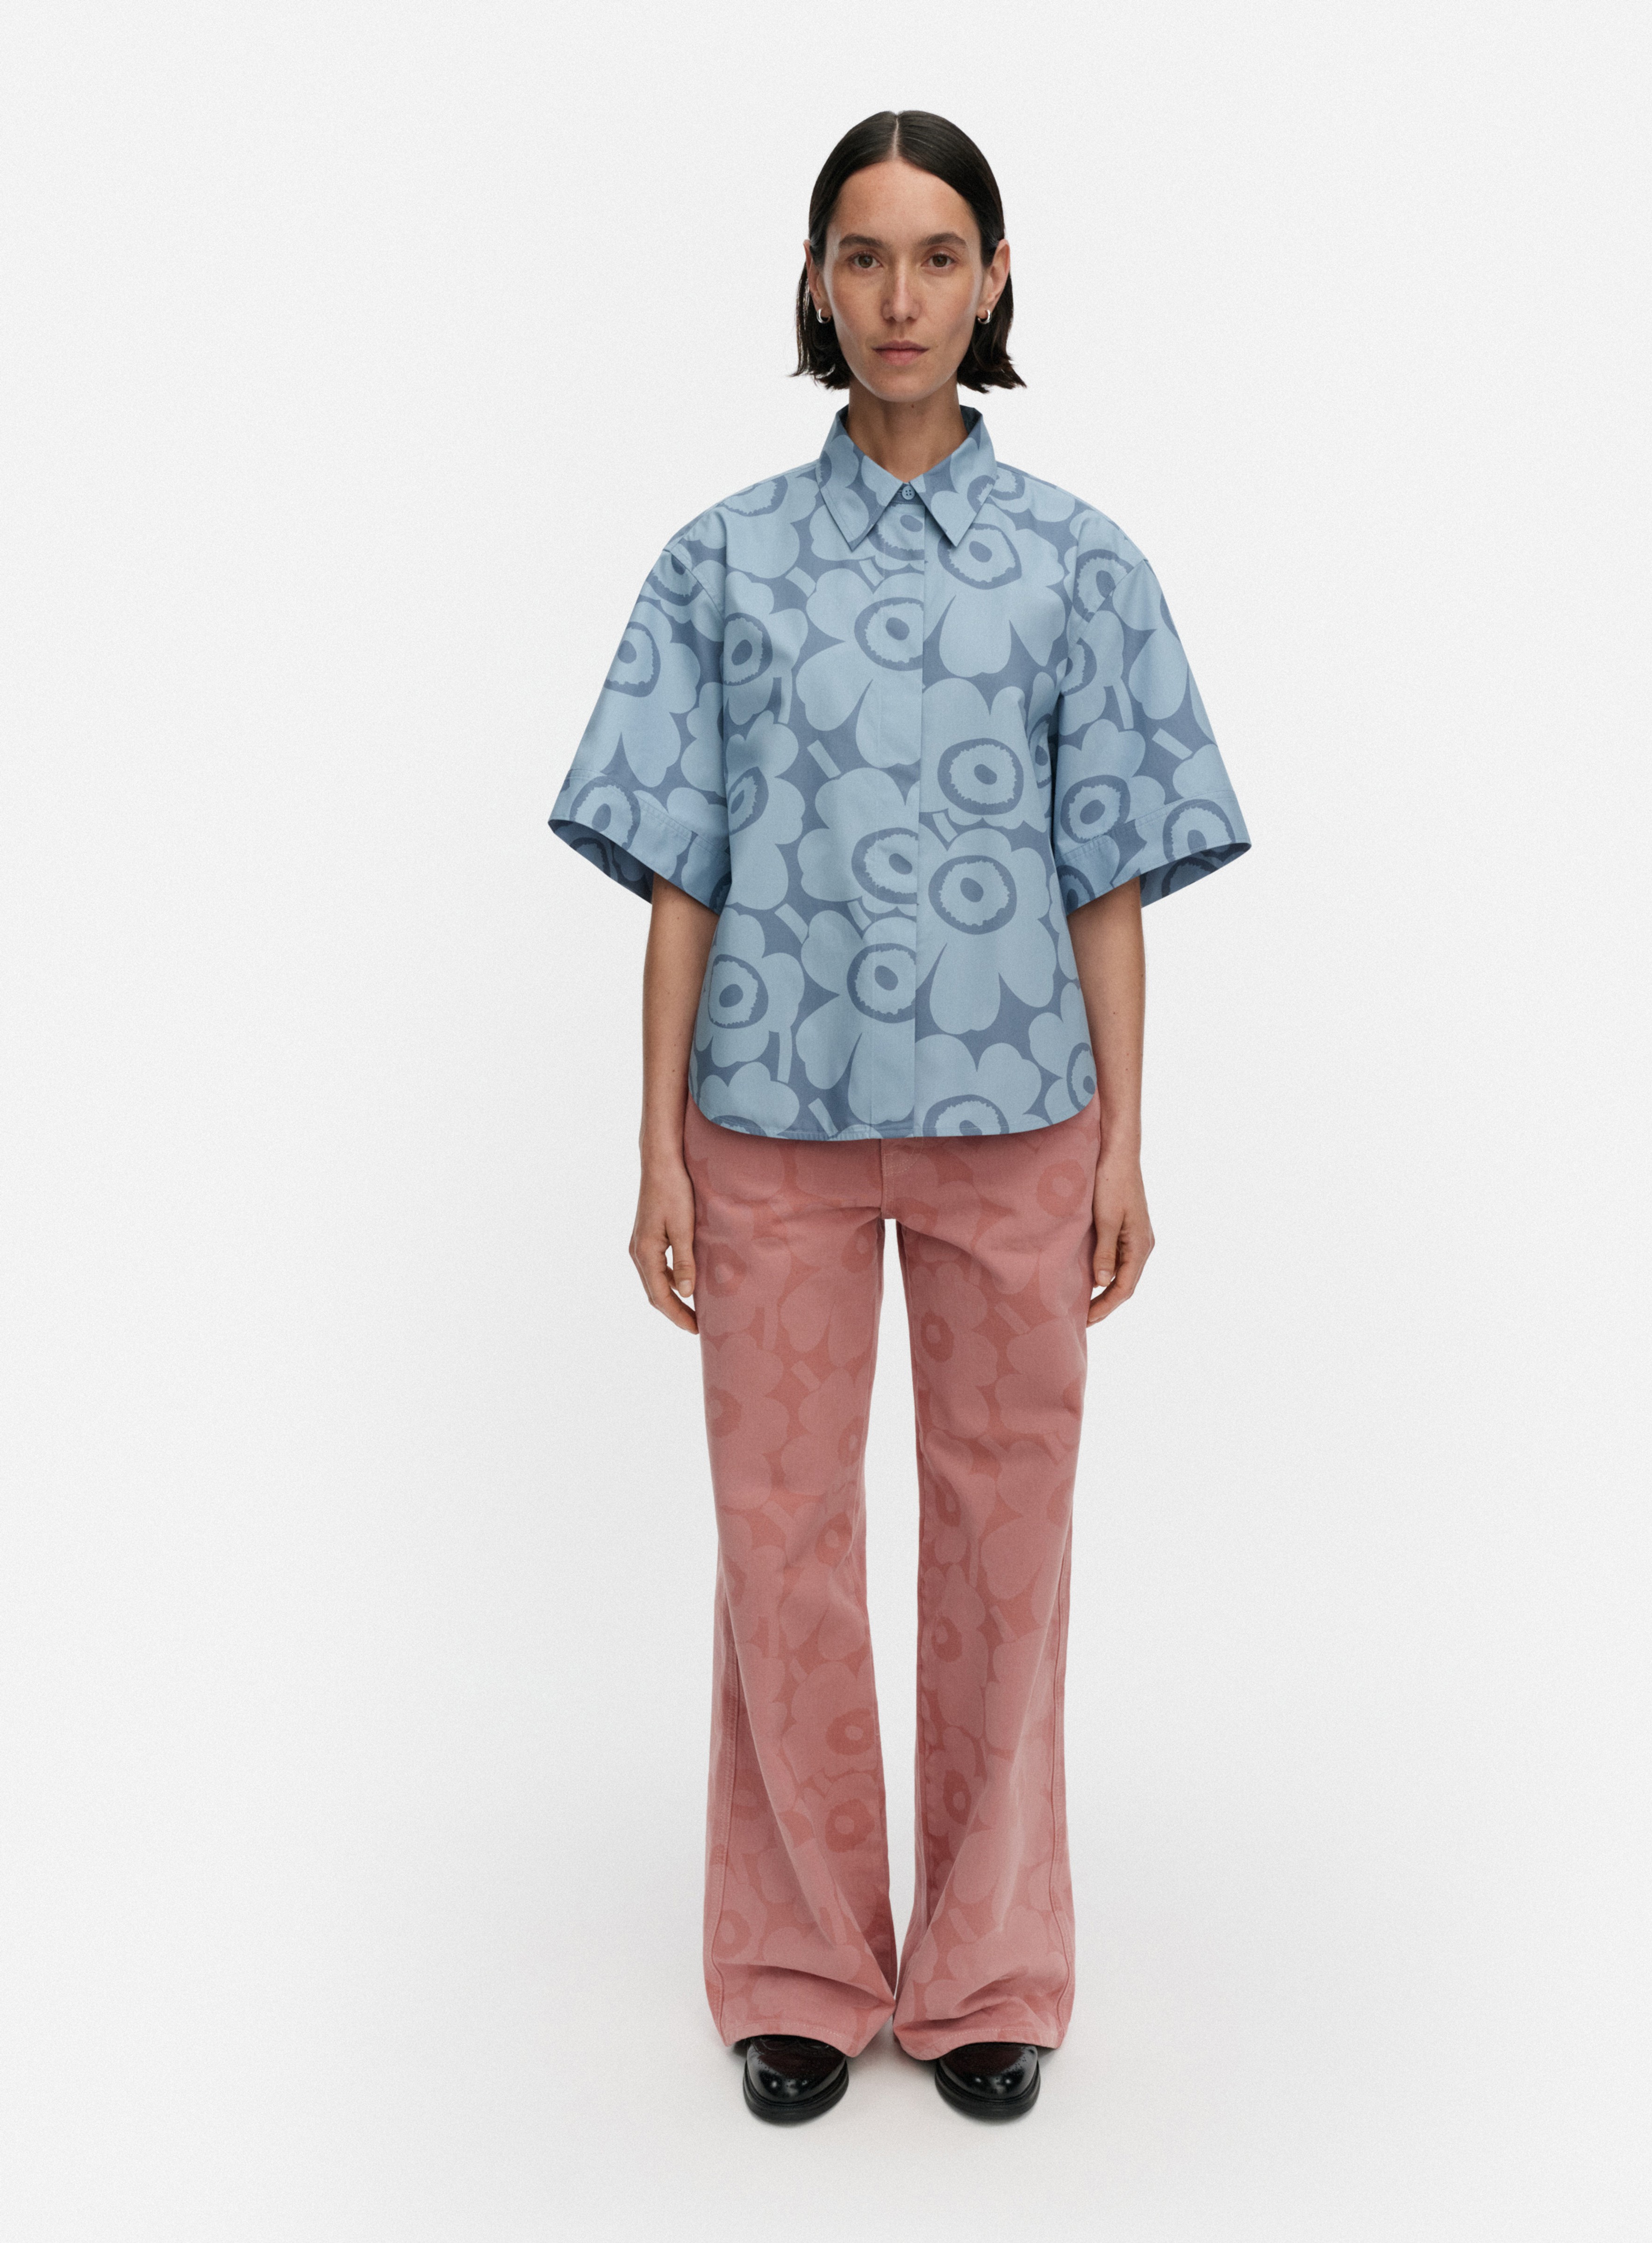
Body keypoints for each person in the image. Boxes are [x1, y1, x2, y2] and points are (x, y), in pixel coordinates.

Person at [548, 109, 1249, 2123]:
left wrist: (1125, 1141)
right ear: (816, 281)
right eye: (863, 256)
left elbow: (1109, 871)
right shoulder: (722, 562)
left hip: (1019, 1120)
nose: (900, 296)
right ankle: (796, 1965)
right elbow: (682, 870)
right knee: (779, 1544)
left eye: (940, 255)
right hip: (766, 1117)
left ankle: (992, 1968)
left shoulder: (1081, 565)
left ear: (996, 279)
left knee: (1007, 1540)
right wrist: (656, 1141)